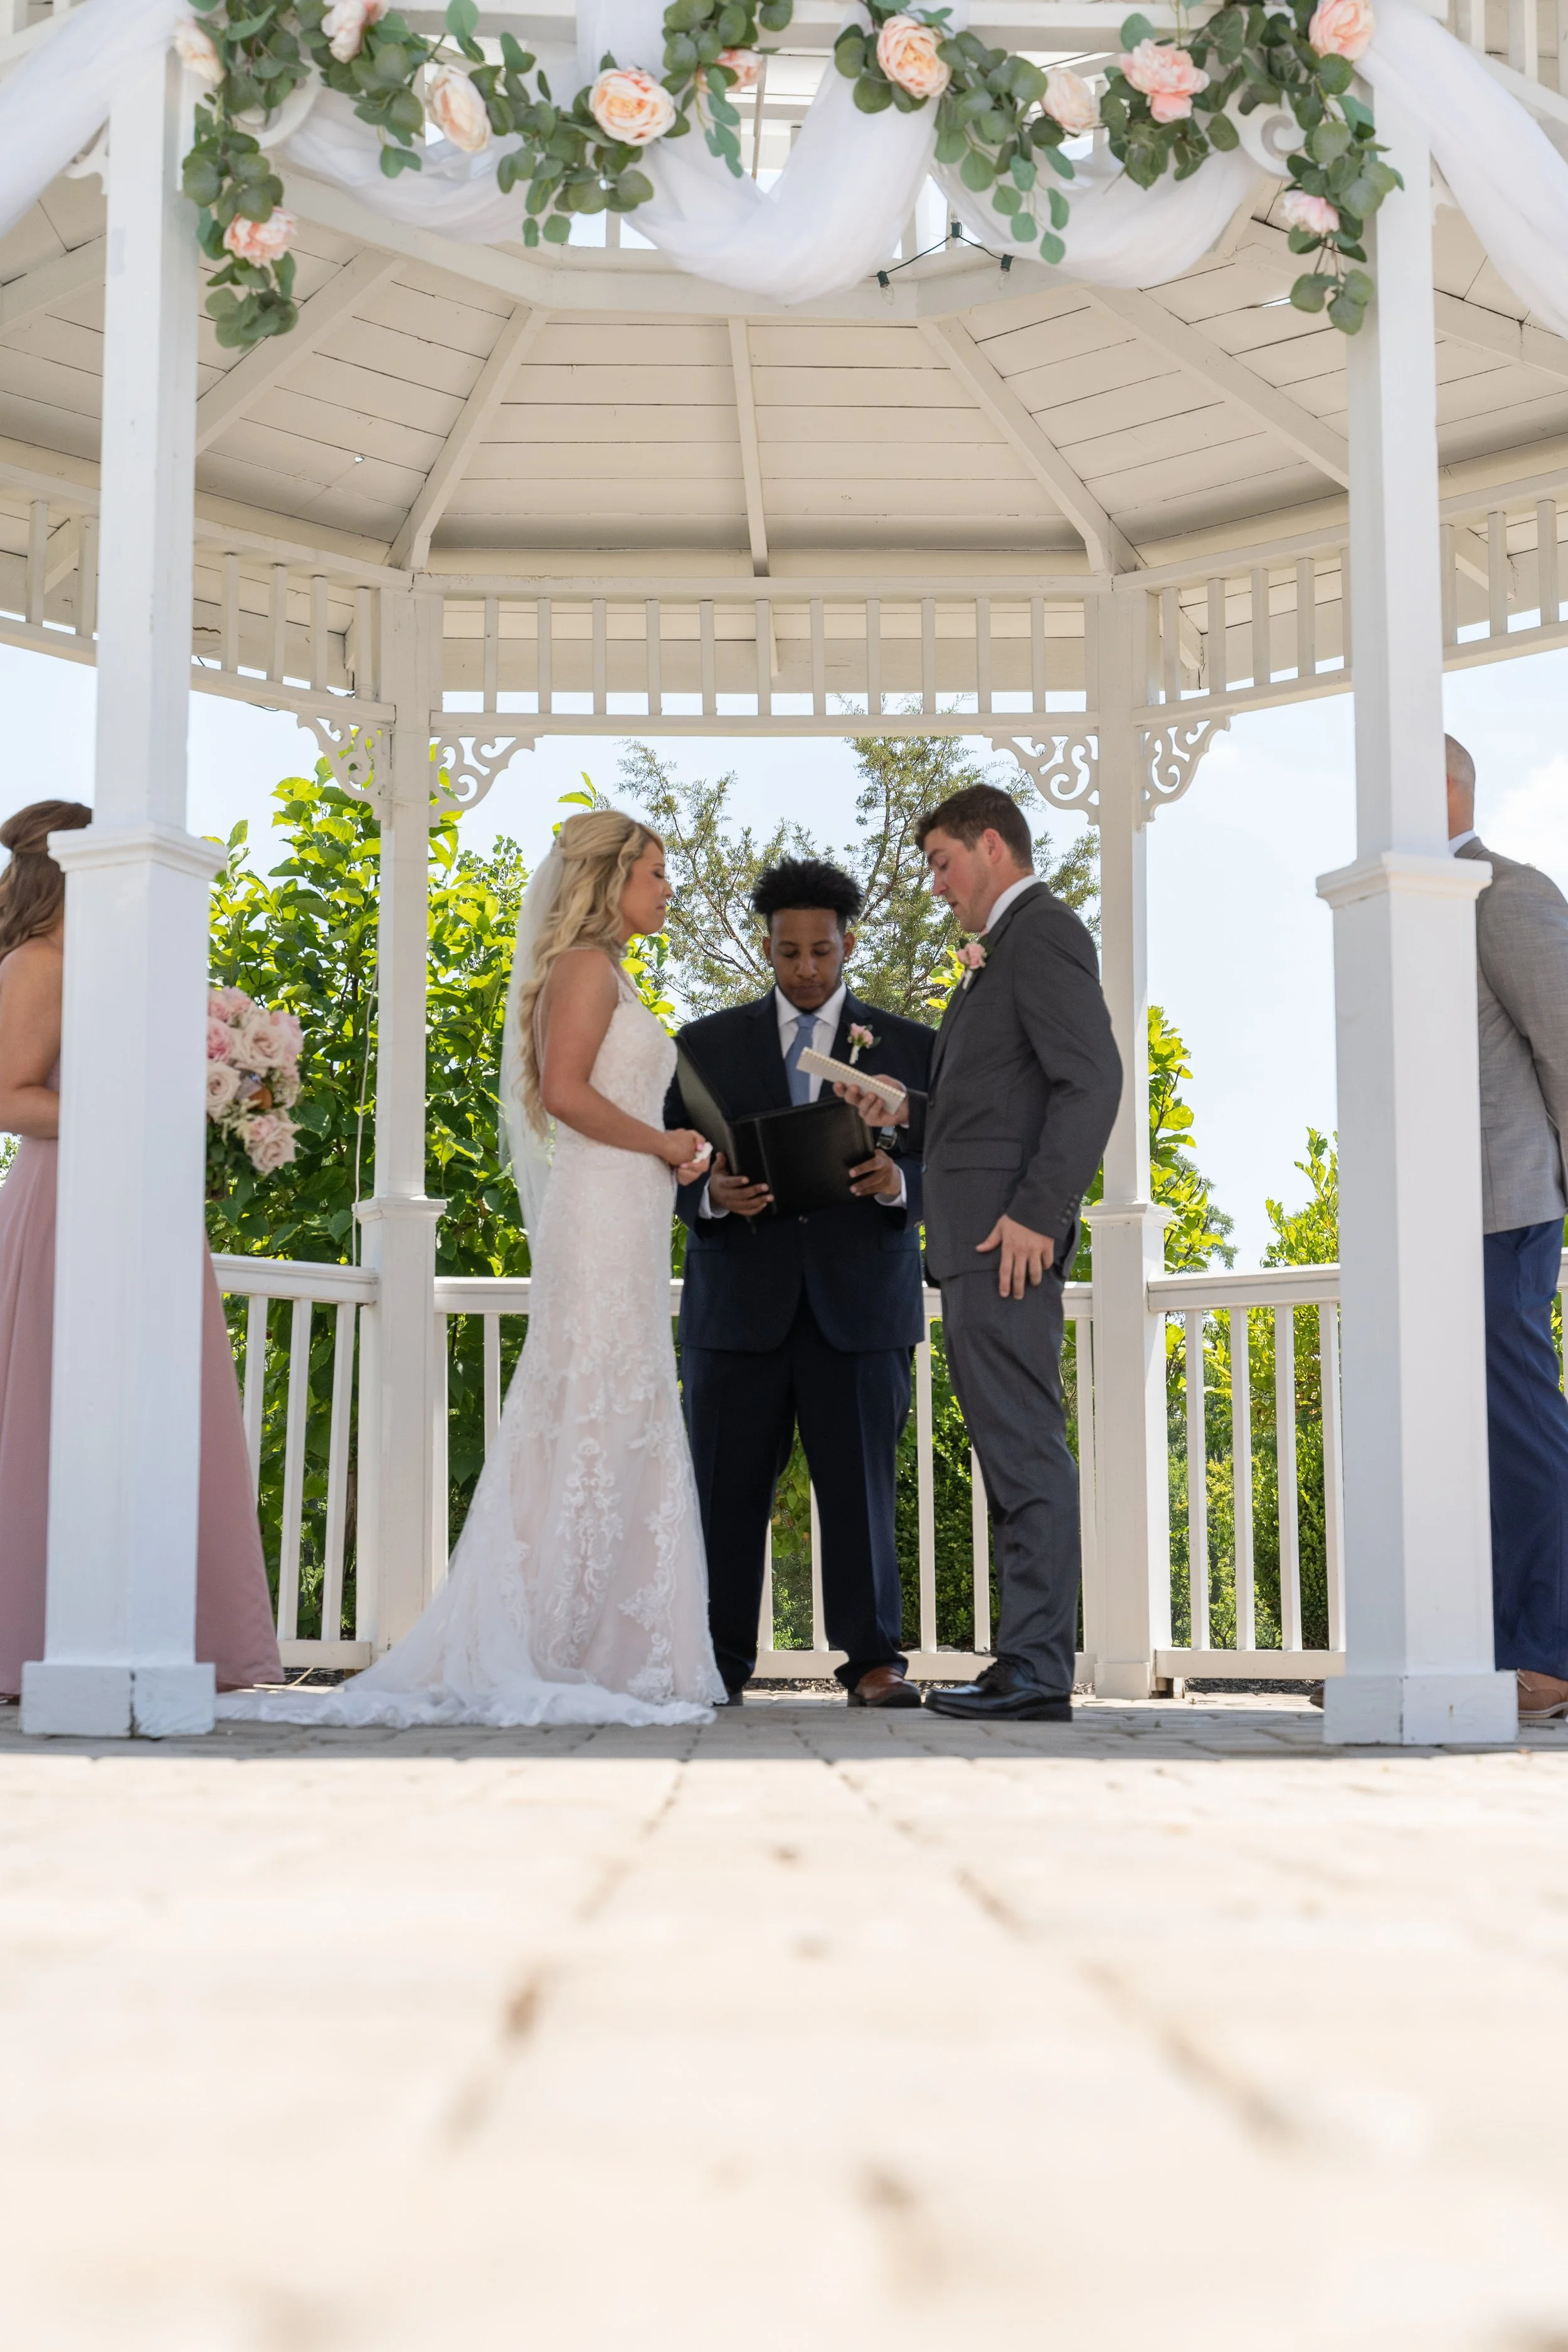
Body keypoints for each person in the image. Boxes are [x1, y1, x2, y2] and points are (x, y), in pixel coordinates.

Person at [221, 810, 725, 1729]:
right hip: (601, 1211)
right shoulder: (583, 966)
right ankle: (555, 1638)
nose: (667, 889)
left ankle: (603, 1642)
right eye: (655, 872)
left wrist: (669, 1154)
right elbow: (566, 1095)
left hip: (629, 1210)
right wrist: (664, 1142)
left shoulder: (610, 970)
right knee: (591, 1401)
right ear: (611, 879)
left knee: (620, 1406)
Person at [837, 784, 1121, 1724]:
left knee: (1026, 1448)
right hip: (974, 1241)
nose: (935, 884)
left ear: (991, 845)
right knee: (1008, 1451)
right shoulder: (999, 952)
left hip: (1007, 1243)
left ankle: (1038, 1668)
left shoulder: (1042, 933)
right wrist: (900, 1111)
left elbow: (1094, 1080)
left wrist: (1039, 1212)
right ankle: (1021, 1659)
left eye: (941, 862)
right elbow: (991, 1110)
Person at [0, 800, 282, 1697]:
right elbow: (9, 1096)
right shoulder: (38, 962)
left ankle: (191, 1637)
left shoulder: (116, 966)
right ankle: (34, 1638)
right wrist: (136, 1110)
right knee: (60, 1405)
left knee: (165, 1405)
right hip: (68, 1200)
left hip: (146, 1202)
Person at [664, 857, 935, 1708]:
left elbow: (952, 1156)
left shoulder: (911, 1046)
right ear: (767, 948)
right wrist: (713, 1193)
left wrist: (898, 1184)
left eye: (822, 950)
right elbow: (669, 1160)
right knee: (724, 1492)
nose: (807, 968)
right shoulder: (705, 1045)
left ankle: (875, 1662)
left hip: (861, 1305)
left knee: (862, 1494)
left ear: (848, 944)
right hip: (738, 1304)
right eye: (789, 952)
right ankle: (715, 1662)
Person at [1447, 733, 1568, 1725]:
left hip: (1505, 1208)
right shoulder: (1403, 907)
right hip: (1426, 1229)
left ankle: (1550, 1653)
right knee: (1461, 1440)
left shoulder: (1508, 894)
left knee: (1523, 1430)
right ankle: (1474, 1653)